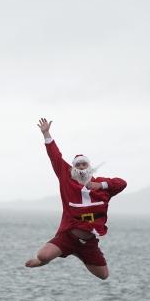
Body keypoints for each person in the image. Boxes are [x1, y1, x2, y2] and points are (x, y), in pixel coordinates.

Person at [25, 118, 127, 279]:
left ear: (89, 167)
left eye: (83, 165)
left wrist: (101, 186)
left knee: (104, 275)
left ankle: (79, 254)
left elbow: (122, 183)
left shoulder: (100, 185)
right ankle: (50, 258)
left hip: (89, 243)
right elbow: (56, 158)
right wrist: (46, 134)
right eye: (77, 165)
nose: (80, 168)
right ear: (73, 168)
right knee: (43, 256)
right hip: (68, 237)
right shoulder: (67, 179)